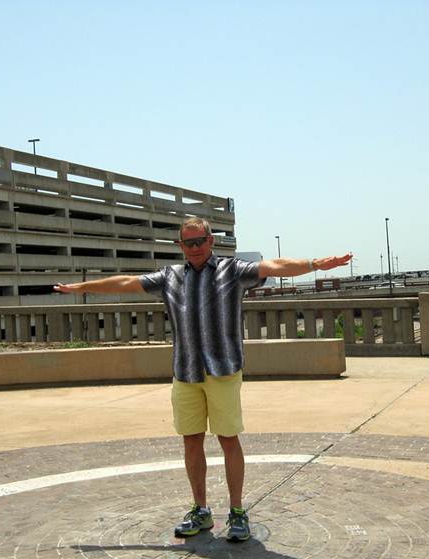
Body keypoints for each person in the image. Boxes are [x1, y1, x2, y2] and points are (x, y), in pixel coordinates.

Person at [54, 217, 352, 542]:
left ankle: (237, 511)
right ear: (180, 246)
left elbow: (274, 266)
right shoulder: (170, 277)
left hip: (223, 370)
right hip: (186, 372)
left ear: (211, 241)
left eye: (200, 241)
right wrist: (82, 288)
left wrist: (314, 264)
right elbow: (126, 283)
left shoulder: (232, 271)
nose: (195, 248)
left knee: (228, 440)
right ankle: (201, 509)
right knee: (191, 441)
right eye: (188, 243)